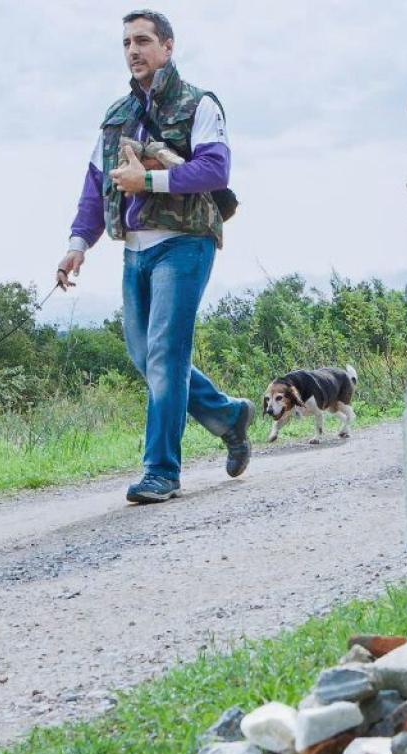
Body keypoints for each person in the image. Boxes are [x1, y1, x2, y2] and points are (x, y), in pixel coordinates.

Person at [56, 10, 252, 503]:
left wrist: (148, 180)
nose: (133, 51)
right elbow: (96, 185)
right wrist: (78, 244)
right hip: (136, 251)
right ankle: (228, 416)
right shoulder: (116, 113)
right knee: (147, 358)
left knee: (165, 355)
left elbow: (215, 170)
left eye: (143, 40)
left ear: (167, 46)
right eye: (126, 43)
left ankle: (161, 470)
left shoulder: (199, 103)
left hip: (186, 243)